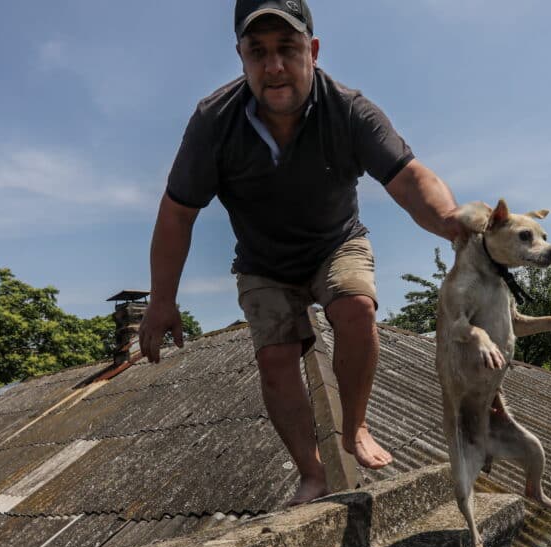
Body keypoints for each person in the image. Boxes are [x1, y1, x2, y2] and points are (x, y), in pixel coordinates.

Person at [139, 0, 469, 506]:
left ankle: (355, 427)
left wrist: (451, 223)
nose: (273, 67)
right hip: (263, 262)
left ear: (312, 51)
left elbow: (409, 179)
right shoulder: (213, 121)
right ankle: (312, 471)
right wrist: (162, 300)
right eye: (258, 52)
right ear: (241, 58)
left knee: (356, 308)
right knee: (275, 357)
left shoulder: (349, 109)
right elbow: (177, 211)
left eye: (287, 49)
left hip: (335, 242)